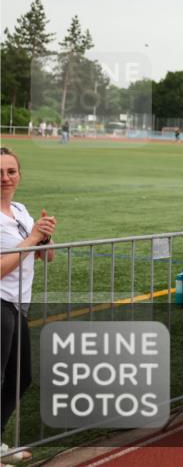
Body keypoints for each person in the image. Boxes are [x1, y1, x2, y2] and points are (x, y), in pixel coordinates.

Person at [1, 147, 56, 461]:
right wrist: (33, 238)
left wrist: (46, 236)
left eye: (11, 171)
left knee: (20, 378)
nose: (5, 178)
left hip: (18, 305)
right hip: (1, 302)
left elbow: (46, 256)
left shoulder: (21, 210)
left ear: (19, 175)